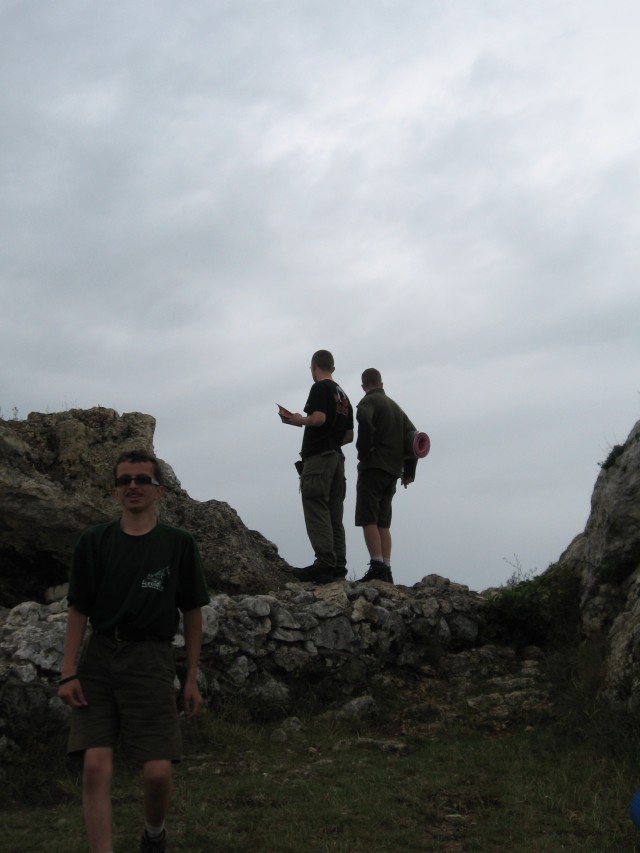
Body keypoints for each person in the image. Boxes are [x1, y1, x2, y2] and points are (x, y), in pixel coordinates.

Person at [58, 449, 210, 853]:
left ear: (159, 491)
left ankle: (154, 833)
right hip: (100, 657)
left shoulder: (178, 544)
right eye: (124, 480)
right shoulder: (94, 541)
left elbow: (192, 612)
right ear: (114, 491)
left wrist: (191, 677)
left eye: (143, 479)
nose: (133, 486)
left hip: (151, 659)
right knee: (94, 765)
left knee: (158, 772)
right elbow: (78, 608)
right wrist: (68, 670)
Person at [283, 350, 354, 583]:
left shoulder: (320, 388)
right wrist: (332, 440)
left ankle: (324, 564)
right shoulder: (344, 396)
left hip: (319, 458)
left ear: (314, 366)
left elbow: (319, 418)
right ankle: (338, 567)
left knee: (316, 506)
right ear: (332, 367)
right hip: (337, 458)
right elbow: (349, 436)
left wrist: (298, 420)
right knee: (335, 513)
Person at [355, 368, 418, 583]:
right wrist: (409, 472)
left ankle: (377, 566)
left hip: (373, 467)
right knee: (383, 521)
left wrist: (364, 451)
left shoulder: (367, 402)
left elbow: (364, 420)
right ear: (382, 384)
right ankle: (387, 569)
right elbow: (414, 437)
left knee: (368, 518)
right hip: (393, 471)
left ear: (364, 387)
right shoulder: (396, 408)